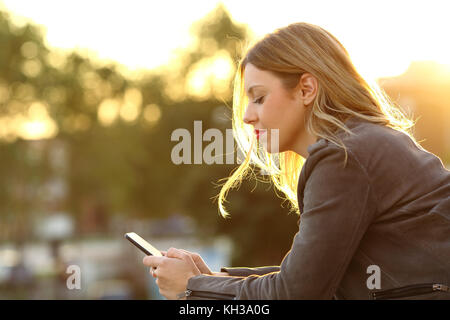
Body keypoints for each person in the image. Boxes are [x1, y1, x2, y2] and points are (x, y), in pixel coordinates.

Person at [143, 22, 450, 300]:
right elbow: (312, 276)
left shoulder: (344, 158)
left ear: (306, 89)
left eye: (259, 97)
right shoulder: (363, 145)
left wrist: (192, 290)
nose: (248, 116)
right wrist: (211, 280)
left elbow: (296, 294)